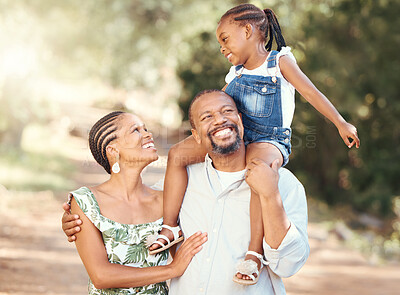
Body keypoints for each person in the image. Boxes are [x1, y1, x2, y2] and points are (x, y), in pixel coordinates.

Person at [149, 3, 359, 284]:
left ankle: (253, 254)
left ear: (248, 31)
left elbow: (310, 91)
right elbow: (217, 102)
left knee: (258, 172)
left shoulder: (279, 62)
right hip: (237, 135)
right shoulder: (234, 74)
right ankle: (170, 226)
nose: (222, 48)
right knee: (176, 154)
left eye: (225, 39)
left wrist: (340, 122)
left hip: (268, 139)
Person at [63, 90, 309, 295]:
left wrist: (270, 195)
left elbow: (288, 265)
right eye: (207, 117)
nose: (220, 120)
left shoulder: (283, 184)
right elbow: (119, 226)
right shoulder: (181, 188)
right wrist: (77, 219)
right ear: (196, 136)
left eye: (227, 112)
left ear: (242, 121)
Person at [63, 111, 208, 295]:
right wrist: (172, 269)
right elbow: (101, 276)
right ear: (113, 150)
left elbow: (214, 138)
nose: (148, 134)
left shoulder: (167, 200)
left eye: (146, 128)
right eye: (136, 130)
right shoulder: (86, 202)